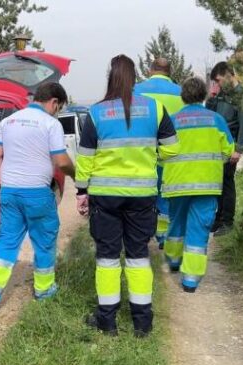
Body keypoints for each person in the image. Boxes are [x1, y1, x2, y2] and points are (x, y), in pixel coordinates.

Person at [75, 55, 179, 337]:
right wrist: (149, 154)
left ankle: (107, 322)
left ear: (111, 76)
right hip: (142, 195)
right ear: (136, 78)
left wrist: (82, 191)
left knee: (107, 258)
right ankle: (142, 324)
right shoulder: (155, 108)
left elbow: (85, 158)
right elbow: (171, 149)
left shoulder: (96, 113)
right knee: (138, 257)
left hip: (105, 197)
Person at [0, 82, 75, 317]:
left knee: (7, 241)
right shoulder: (51, 124)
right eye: (59, 107)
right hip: (37, 194)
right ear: (54, 102)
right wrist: (77, 175)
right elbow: (61, 161)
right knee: (44, 240)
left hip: (10, 192)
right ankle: (44, 290)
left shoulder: (8, 121)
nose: (57, 112)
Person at [162, 76, 235, 292]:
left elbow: (161, 153)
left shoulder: (171, 121)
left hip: (177, 184)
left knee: (175, 224)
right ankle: (190, 280)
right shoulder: (216, 120)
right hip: (206, 185)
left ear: (182, 96)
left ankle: (173, 262)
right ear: (203, 95)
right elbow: (228, 151)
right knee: (199, 229)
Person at [134, 58, 185, 249]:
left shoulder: (136, 90)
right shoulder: (181, 93)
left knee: (145, 196)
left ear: (150, 70)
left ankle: (142, 233)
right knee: (166, 197)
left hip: (143, 154)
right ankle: (163, 235)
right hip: (171, 155)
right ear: (169, 72)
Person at [206, 62, 243, 236]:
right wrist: (211, 97)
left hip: (230, 144)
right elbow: (209, 113)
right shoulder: (220, 95)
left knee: (227, 182)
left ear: (228, 75)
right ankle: (218, 219)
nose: (217, 84)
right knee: (218, 183)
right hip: (217, 144)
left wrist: (238, 149)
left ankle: (227, 222)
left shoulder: (242, 96)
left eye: (218, 80)